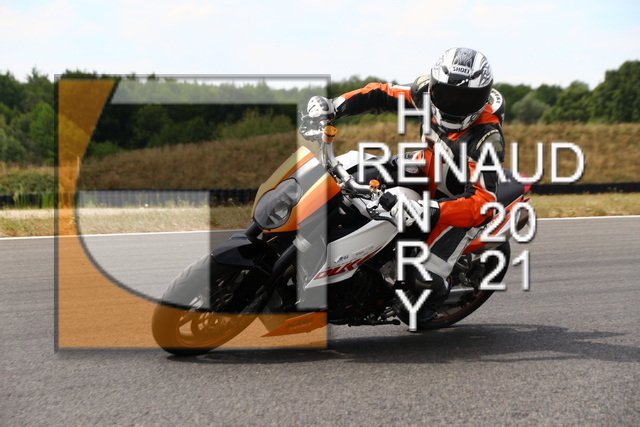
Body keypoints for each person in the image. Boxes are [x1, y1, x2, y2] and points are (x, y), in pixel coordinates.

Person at [303, 47, 506, 326]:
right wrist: (334, 106)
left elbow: (483, 203)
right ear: (434, 87)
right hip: (426, 166)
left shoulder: (486, 138)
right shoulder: (424, 92)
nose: (454, 105)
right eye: (447, 95)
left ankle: (426, 307)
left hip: (456, 203)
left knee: (423, 277)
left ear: (482, 98)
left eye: (466, 99)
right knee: (355, 174)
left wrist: (430, 210)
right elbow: (380, 94)